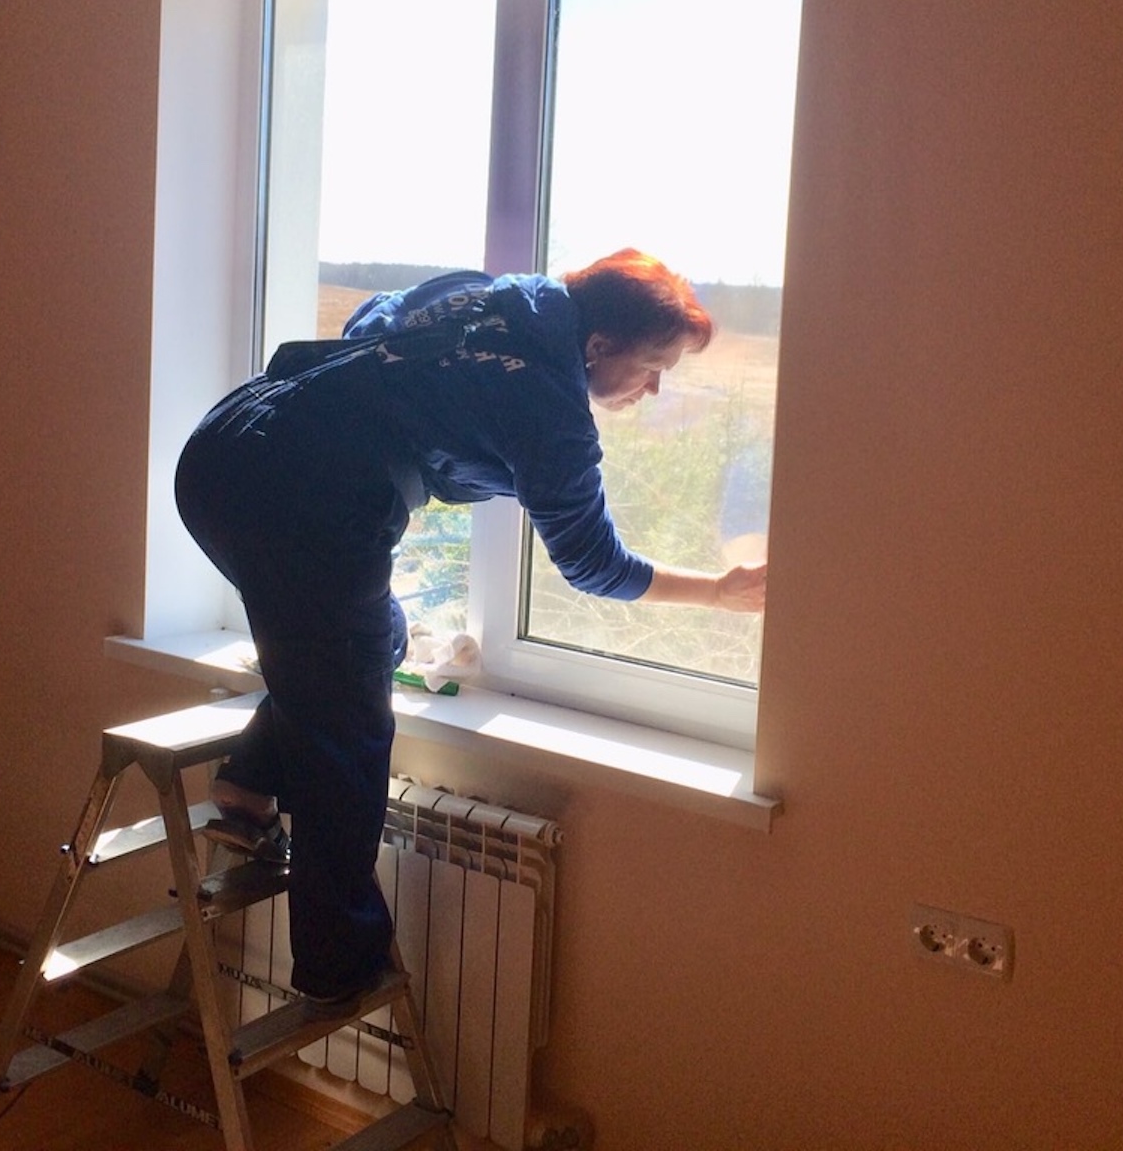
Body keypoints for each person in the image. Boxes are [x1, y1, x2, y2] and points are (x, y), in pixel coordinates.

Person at [173, 249, 766, 1015]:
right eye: (652, 368)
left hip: (224, 448)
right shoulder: (550, 407)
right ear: (599, 346)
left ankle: (249, 779)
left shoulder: (492, 296)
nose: (652, 390)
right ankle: (337, 964)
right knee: (347, 727)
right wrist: (716, 592)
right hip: (301, 496)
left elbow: (369, 323)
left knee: (368, 645)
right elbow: (593, 563)